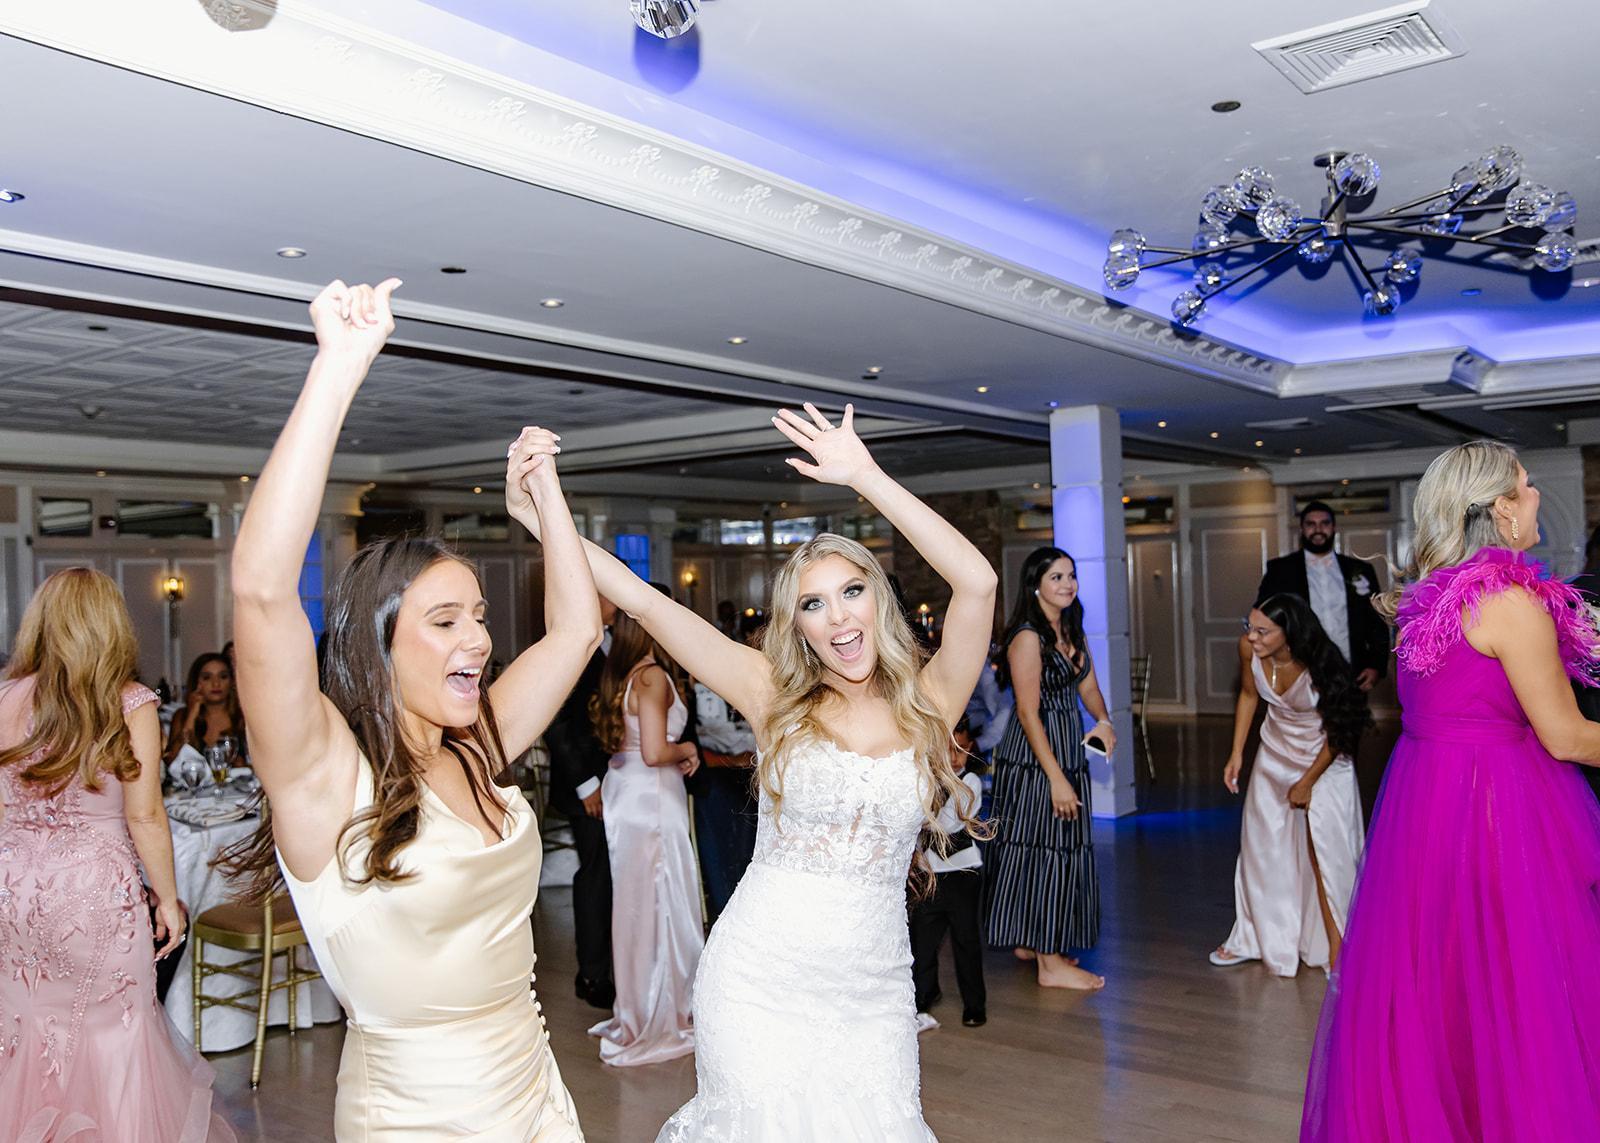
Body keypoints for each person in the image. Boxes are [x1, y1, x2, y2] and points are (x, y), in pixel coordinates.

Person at [519, 402, 995, 1139]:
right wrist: (542, 516)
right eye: (814, 604)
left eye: (852, 591)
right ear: (796, 625)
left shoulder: (931, 701)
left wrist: (865, 476)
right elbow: (640, 598)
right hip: (758, 978)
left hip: (872, 991)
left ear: (878, 598)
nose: (839, 618)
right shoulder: (771, 693)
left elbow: (980, 584)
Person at [221, 279, 601, 1140]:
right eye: (446, 620)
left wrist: (544, 497)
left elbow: (577, 631)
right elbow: (261, 589)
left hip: (535, 1093)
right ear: (379, 646)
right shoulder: (325, 778)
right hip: (415, 1118)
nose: (480, 638)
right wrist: (338, 367)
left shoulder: (476, 744)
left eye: (480, 616)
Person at [1302, 441, 1600, 1141]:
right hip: (1499, 806)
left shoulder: (1426, 598)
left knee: (1446, 981)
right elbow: (1565, 737)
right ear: (1501, 508)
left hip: (1427, 806)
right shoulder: (1510, 602)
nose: (1535, 498)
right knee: (1518, 981)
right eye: (1526, 486)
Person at [0, 568, 236, 1142]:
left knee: (24, 1030)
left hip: (13, 893)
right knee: (111, 1036)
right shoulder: (129, 702)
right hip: (93, 900)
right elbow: (145, 814)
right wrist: (169, 901)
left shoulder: (6, 697)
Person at [1211, 594, 1370, 977]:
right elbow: (1249, 694)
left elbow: (1342, 729)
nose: (1252, 637)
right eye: (1249, 627)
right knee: (1262, 847)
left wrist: (1308, 782)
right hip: (1275, 755)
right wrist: (1237, 753)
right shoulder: (1248, 649)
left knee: (1326, 853)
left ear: (1289, 633)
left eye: (1263, 631)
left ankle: (1340, 947)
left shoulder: (1320, 663)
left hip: (1325, 759)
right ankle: (1255, 937)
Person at [985, 546, 1115, 991]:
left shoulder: (1071, 628)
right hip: (1035, 758)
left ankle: (1031, 941)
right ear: (1035, 585)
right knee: (1045, 851)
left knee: (1048, 847)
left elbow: (1088, 687)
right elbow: (1027, 712)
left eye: (1071, 575)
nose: (1067, 583)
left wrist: (1103, 721)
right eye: (1056, 576)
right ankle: (1050, 963)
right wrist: (1056, 778)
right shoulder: (1027, 637)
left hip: (1066, 747)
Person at [585, 610, 703, 1066]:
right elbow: (655, 751)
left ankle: (639, 1007)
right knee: (664, 903)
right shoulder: (651, 677)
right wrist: (688, 749)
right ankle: (665, 1011)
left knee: (637, 908)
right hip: (652, 797)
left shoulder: (625, 676)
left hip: (629, 791)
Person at [543, 596, 618, 1010]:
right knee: (596, 875)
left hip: (619, 781)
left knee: (613, 875)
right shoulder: (573, 645)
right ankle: (591, 974)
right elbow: (556, 721)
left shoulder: (615, 641)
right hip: (588, 785)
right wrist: (587, 784)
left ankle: (614, 967)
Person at [1256, 502, 1389, 692]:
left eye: (1324, 523)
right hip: (1298, 669)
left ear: (1333, 527)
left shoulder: (1360, 570)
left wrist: (1376, 665)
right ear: (1302, 529)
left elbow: (1377, 621)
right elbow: (1263, 617)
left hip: (1351, 669)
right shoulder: (1280, 569)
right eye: (1311, 524)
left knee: (1349, 712)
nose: (1318, 529)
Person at [911, 718, 988, 1029]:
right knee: (923, 942)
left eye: (961, 749)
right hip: (929, 873)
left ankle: (975, 1004)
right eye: (948, 750)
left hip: (961, 872)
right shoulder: (922, 778)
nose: (955, 758)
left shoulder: (970, 782)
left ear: (970, 749)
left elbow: (949, 823)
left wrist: (921, 816)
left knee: (966, 941)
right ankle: (923, 998)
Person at [690, 609, 763, 922]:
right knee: (724, 852)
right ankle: (727, 910)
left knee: (747, 849)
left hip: (748, 776)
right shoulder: (697, 682)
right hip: (714, 778)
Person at [163, 651, 247, 764]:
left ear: (232, 681)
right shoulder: (182, 715)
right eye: (207, 678)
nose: (216, 684)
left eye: (223, 677)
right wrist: (192, 716)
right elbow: (172, 761)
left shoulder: (243, 716)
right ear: (197, 682)